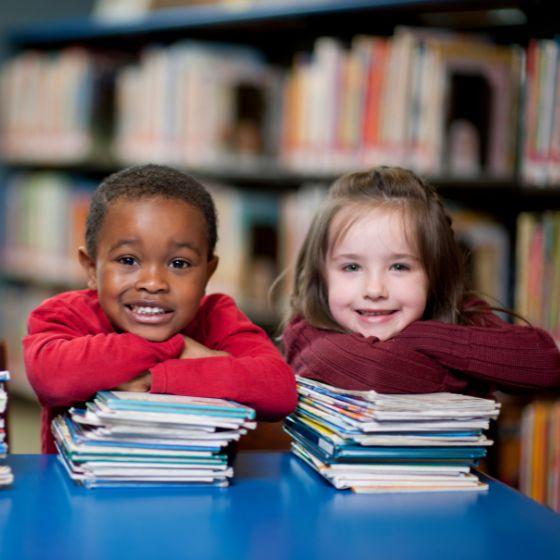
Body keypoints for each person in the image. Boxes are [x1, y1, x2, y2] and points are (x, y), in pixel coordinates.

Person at [24, 164, 297, 453]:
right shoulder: (64, 314)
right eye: (128, 260)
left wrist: (155, 378)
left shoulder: (216, 316)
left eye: (179, 264)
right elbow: (51, 378)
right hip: (81, 492)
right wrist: (175, 349)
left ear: (207, 273)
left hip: (195, 489)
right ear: (92, 268)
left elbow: (279, 390)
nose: (153, 283)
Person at [282, 166, 560, 396]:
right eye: (352, 267)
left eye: (399, 266)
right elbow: (377, 371)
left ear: (433, 273)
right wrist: (471, 373)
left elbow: (547, 364)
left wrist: (420, 335)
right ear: (322, 274)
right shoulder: (307, 334)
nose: (375, 290)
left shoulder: (459, 311)